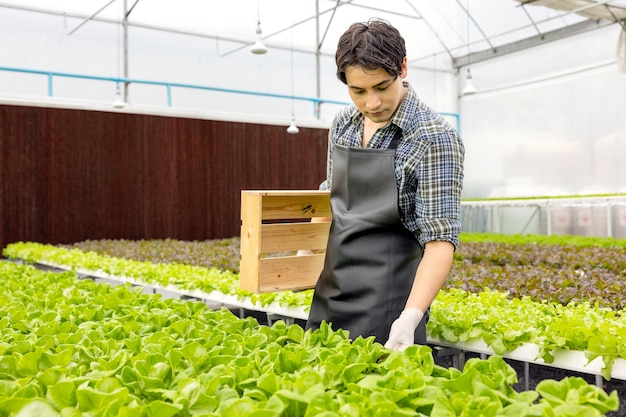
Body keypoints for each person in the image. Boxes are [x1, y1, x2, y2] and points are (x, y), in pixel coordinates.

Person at [304, 18, 464, 351]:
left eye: (381, 87)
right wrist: (305, 251)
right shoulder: (343, 124)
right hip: (331, 295)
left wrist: (410, 317)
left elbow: (439, 241)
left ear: (403, 68)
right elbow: (332, 195)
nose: (371, 103)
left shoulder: (434, 138)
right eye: (357, 91)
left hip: (390, 306)